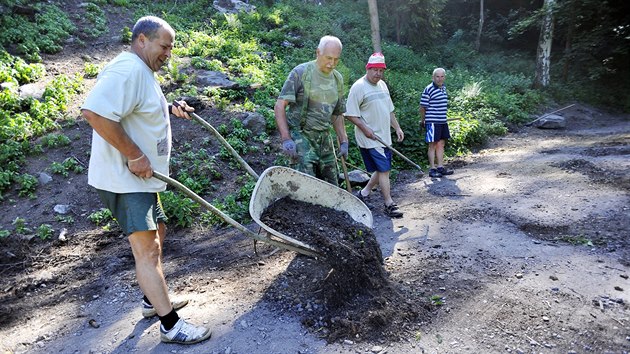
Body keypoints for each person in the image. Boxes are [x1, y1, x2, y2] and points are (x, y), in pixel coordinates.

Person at [81, 16, 211, 345]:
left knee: (160, 231)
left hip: (141, 180)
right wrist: (134, 154)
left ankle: (150, 300)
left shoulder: (142, 72)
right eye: (164, 46)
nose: (169, 53)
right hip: (126, 179)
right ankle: (171, 325)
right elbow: (94, 112)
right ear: (142, 40)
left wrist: (166, 107)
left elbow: (135, 108)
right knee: (148, 251)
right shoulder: (127, 69)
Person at [274, 35, 349, 186]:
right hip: (302, 136)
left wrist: (343, 140)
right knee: (305, 186)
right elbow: (280, 106)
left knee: (332, 186)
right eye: (328, 58)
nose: (331, 63)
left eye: (336, 59)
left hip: (325, 139)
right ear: (318, 52)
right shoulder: (301, 72)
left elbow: (337, 113)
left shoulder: (337, 79)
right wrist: (286, 139)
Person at [345, 53, 404, 218]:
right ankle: (389, 203)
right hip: (370, 138)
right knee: (384, 170)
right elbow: (350, 114)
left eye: (381, 70)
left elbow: (389, 110)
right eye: (375, 70)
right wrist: (365, 129)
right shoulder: (358, 87)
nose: (378, 73)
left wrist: (397, 128)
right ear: (368, 68)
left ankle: (364, 193)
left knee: (381, 169)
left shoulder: (383, 85)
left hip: (385, 137)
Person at [419, 67, 454, 178]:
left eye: (442, 76)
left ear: (444, 77)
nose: (439, 79)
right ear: (433, 77)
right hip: (432, 122)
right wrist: (423, 120)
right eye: (437, 76)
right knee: (432, 145)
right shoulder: (428, 89)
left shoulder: (443, 88)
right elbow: (422, 107)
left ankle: (440, 167)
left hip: (442, 121)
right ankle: (432, 169)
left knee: (441, 144)